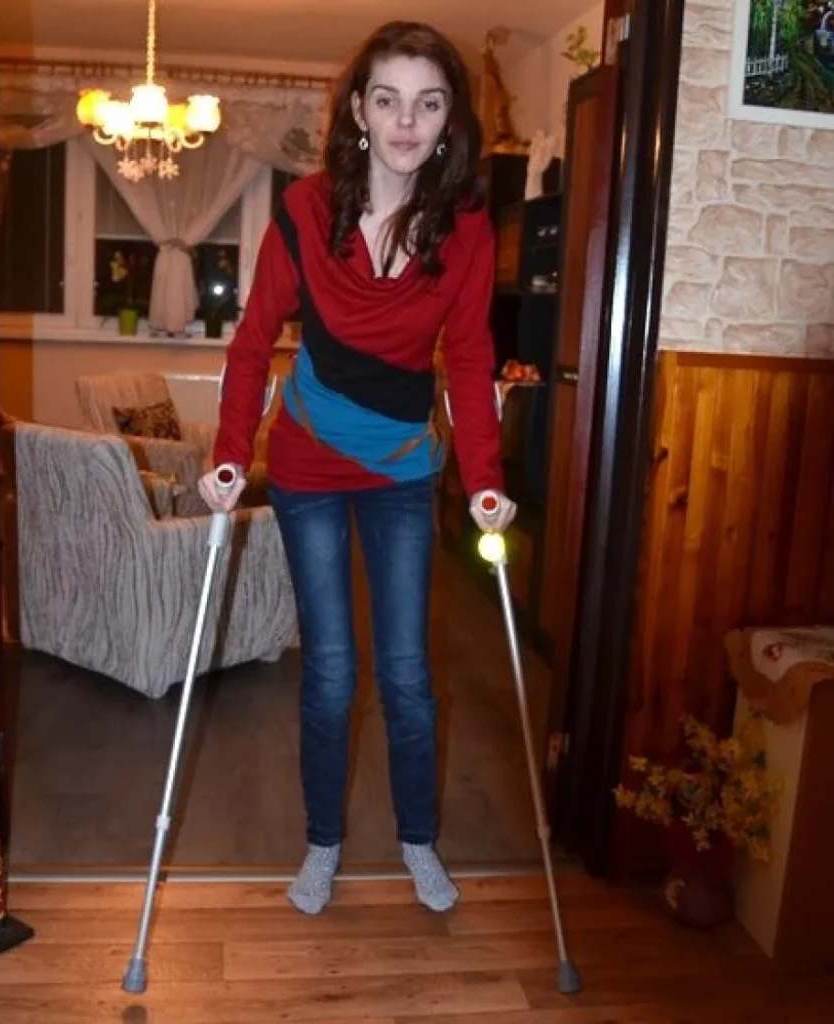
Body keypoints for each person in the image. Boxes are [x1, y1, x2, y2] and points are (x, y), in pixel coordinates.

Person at [198, 20, 517, 915]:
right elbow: (253, 340)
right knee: (333, 672)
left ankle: (417, 841)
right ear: (359, 112)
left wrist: (484, 478)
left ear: (450, 120)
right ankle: (323, 845)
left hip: (405, 470)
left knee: (407, 675)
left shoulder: (466, 228)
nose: (407, 122)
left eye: (429, 103)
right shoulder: (305, 212)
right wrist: (230, 454)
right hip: (307, 465)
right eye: (389, 100)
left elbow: (469, 358)